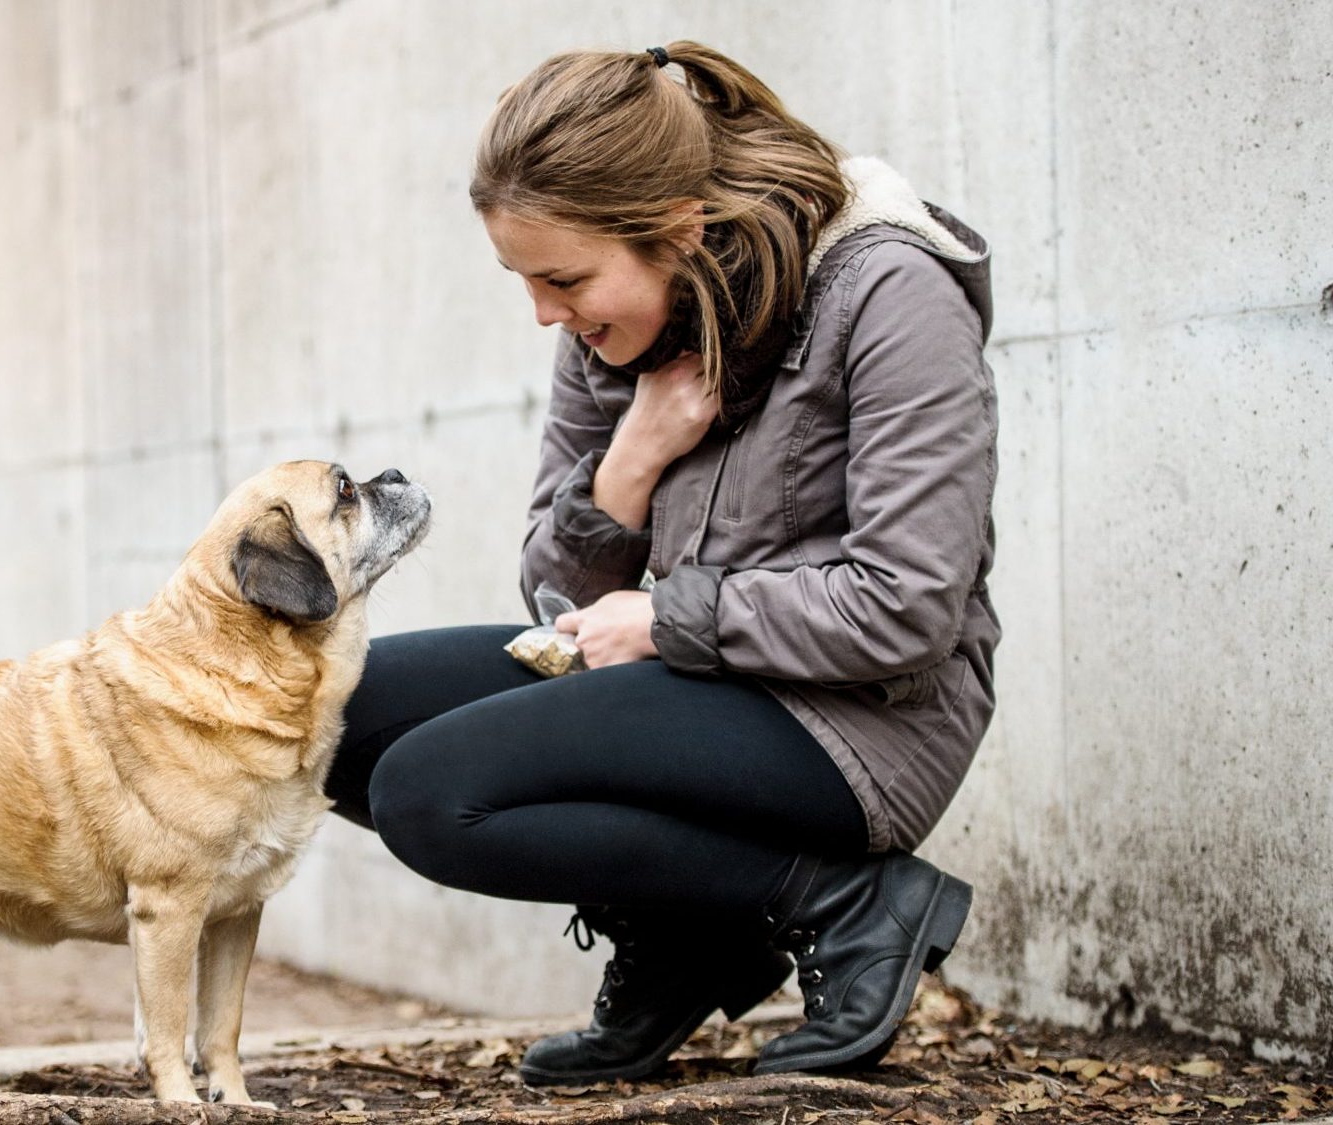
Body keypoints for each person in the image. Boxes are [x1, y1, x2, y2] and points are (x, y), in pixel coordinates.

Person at [321, 40, 999, 1082]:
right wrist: (630, 461)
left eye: (562, 279)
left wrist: (666, 619)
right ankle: (696, 933)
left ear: (677, 227)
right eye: (524, 280)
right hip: (688, 676)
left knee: (428, 792)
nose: (546, 313)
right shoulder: (614, 332)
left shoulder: (888, 293)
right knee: (326, 713)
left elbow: (905, 607)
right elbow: (556, 593)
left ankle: (844, 898)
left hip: (860, 720)